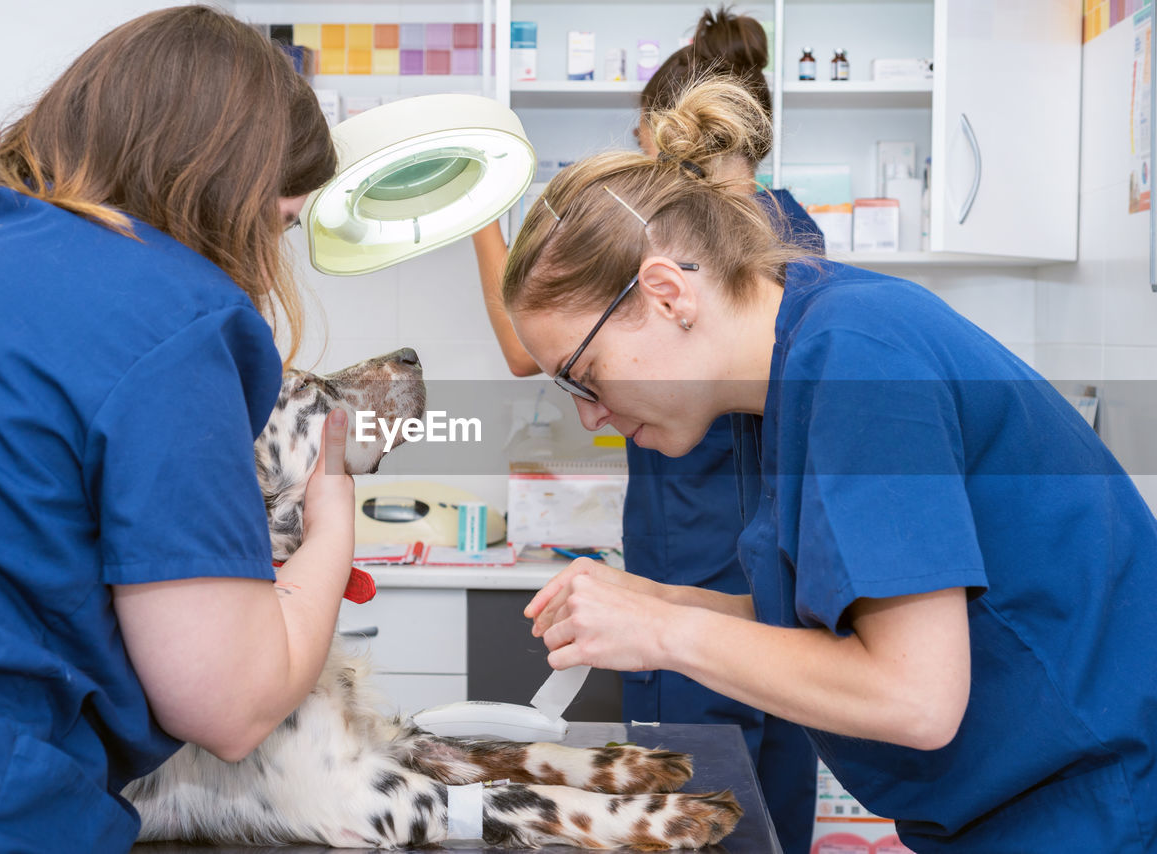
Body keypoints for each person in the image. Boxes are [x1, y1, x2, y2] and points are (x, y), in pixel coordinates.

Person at [502, 76, 1157, 852]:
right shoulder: (788, 372)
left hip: (1098, 809)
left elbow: (913, 696)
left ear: (668, 293)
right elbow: (833, 624)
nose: (590, 413)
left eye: (584, 373)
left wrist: (660, 633)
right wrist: (660, 601)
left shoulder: (854, 361)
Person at [0, 8, 353, 853]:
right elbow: (230, 702)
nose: (272, 256)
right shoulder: (175, 315)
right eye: (278, 225)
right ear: (226, 195)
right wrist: (333, 523)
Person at [471, 10, 820, 852]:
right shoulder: (795, 235)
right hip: (771, 578)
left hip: (698, 571)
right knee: (771, 801)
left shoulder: (679, 255)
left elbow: (526, 350)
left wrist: (482, 213)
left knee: (691, 810)